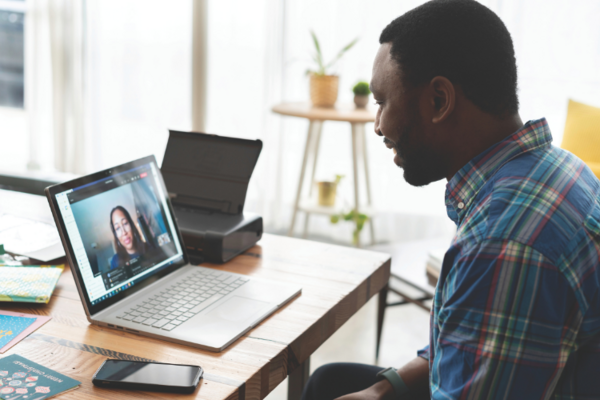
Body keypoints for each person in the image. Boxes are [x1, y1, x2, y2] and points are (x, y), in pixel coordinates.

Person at [301, 1, 600, 399]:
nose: (378, 125)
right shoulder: (559, 169)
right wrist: (382, 392)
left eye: (383, 102)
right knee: (331, 381)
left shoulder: (503, 242)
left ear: (439, 100)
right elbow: (470, 340)